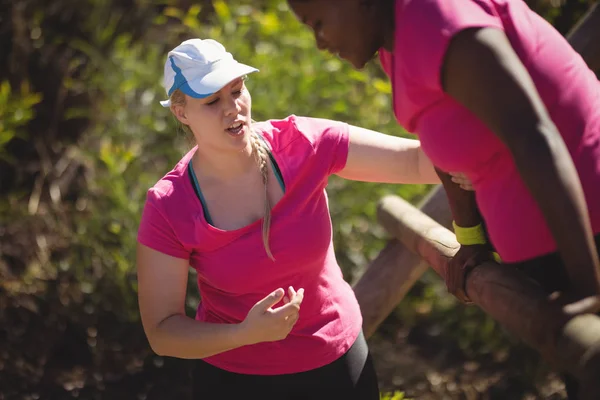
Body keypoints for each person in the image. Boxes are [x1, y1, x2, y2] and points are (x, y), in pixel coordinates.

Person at [286, 0, 600, 397]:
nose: (319, 42)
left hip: (588, 230)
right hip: (550, 253)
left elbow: (533, 135)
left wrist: (587, 283)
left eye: (318, 23)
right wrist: (470, 237)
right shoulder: (392, 43)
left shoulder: (438, 19)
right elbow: (443, 145)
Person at [136, 37, 463, 400]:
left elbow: (414, 161)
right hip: (234, 380)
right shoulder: (169, 204)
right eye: (212, 101)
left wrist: (481, 153)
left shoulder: (304, 143)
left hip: (337, 365)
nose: (233, 108)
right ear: (181, 113)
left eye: (237, 90)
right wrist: (245, 333)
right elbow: (162, 331)